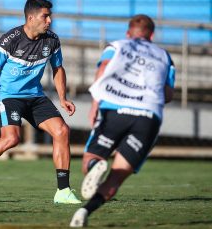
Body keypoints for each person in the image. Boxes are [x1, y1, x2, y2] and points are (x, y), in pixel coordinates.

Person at [0, 0, 81, 204]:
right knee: (11, 139)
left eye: (50, 16)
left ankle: (63, 191)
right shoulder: (10, 39)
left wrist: (63, 98)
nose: (49, 20)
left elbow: (58, 68)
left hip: (35, 96)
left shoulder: (52, 40)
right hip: (8, 96)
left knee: (62, 131)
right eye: (45, 16)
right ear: (31, 17)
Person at [69, 14, 176, 227]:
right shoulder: (164, 56)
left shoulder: (116, 46)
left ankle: (95, 165)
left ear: (128, 33)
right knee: (116, 177)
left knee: (91, 157)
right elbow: (168, 94)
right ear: (152, 35)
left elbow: (103, 70)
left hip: (115, 108)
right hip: (148, 116)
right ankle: (83, 212)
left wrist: (95, 103)